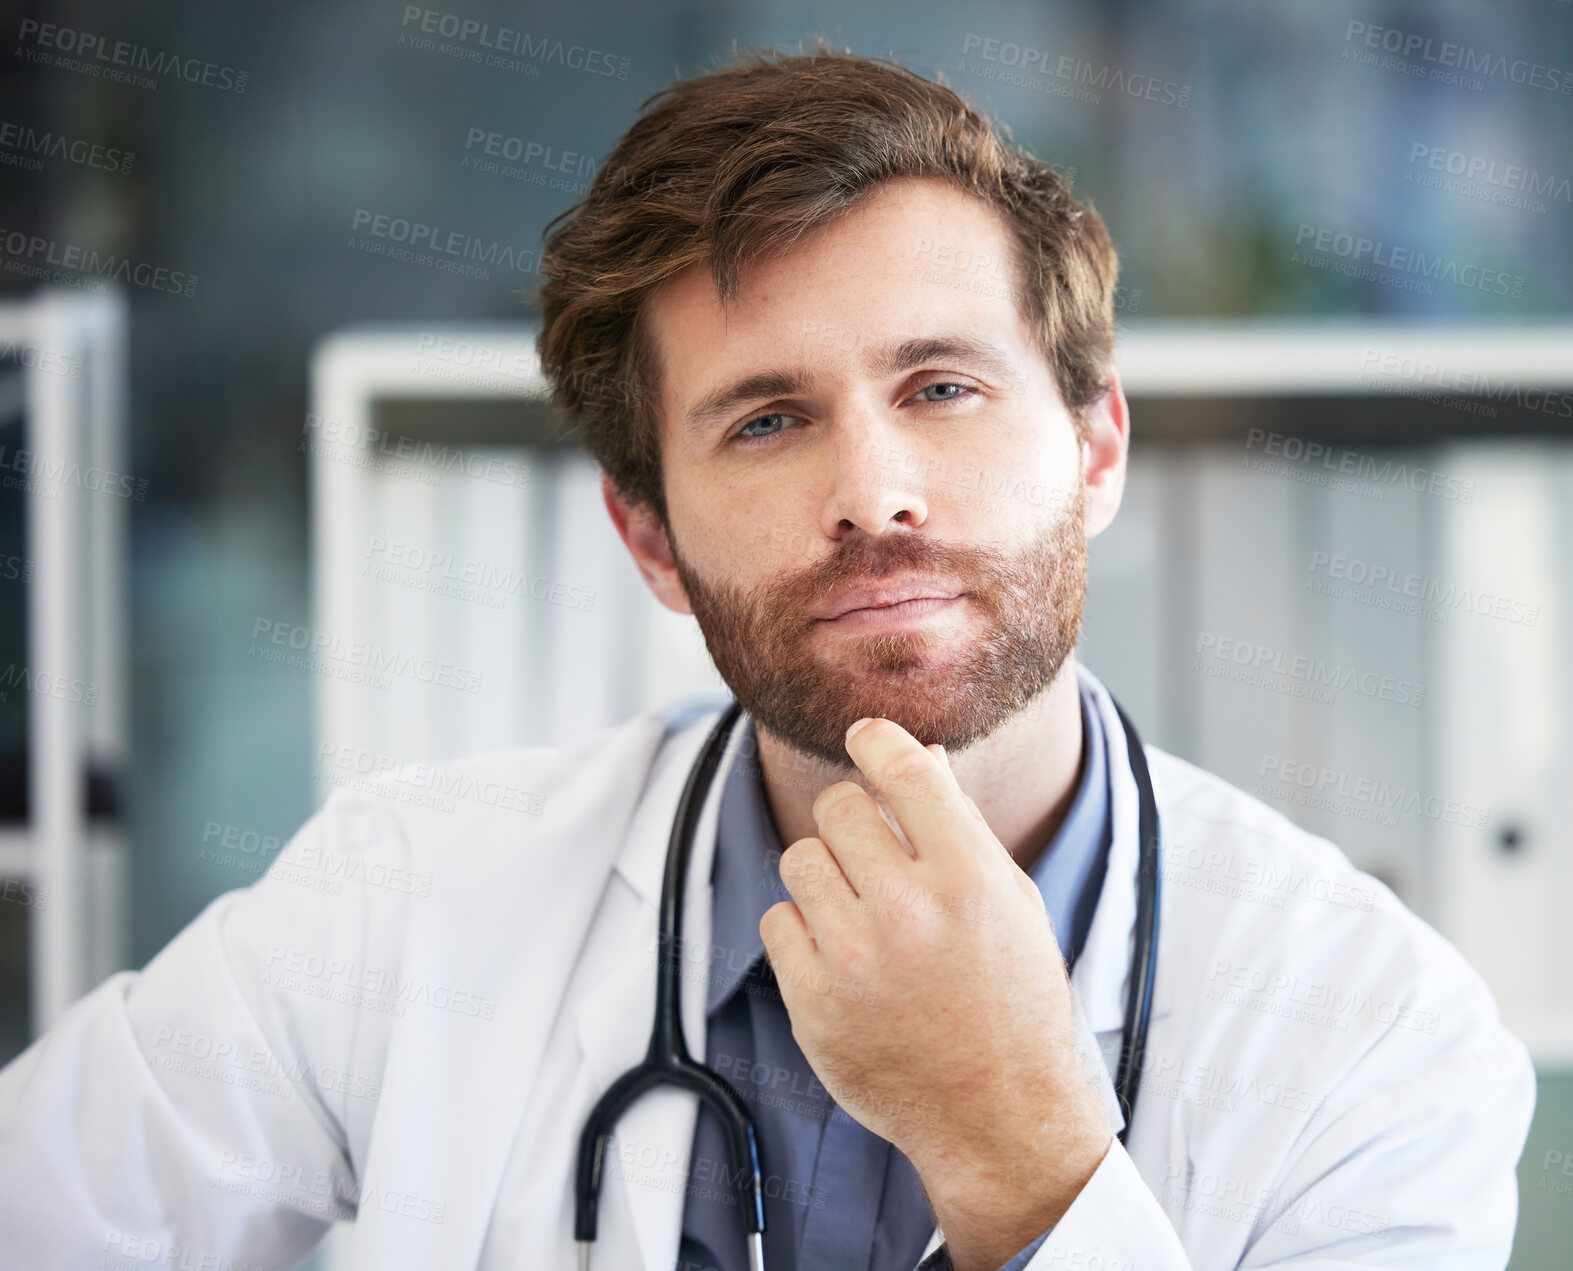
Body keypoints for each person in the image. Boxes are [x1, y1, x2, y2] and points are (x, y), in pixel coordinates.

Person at [0, 44, 1536, 1271]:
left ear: (1094, 445)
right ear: (650, 538)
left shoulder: (1374, 1035)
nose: (871, 491)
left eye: (939, 387)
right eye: (767, 418)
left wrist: (1021, 1158)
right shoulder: (403, 907)